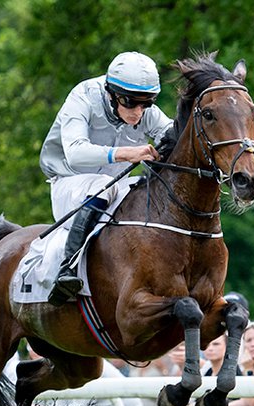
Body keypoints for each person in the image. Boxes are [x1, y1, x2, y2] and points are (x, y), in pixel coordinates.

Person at [40, 51, 174, 305]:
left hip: (115, 188)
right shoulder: (83, 97)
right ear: (111, 93)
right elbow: (76, 153)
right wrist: (128, 154)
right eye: (131, 102)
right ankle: (67, 269)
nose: (138, 111)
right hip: (69, 184)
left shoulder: (145, 111)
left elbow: (174, 136)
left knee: (149, 189)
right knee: (102, 187)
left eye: (146, 103)